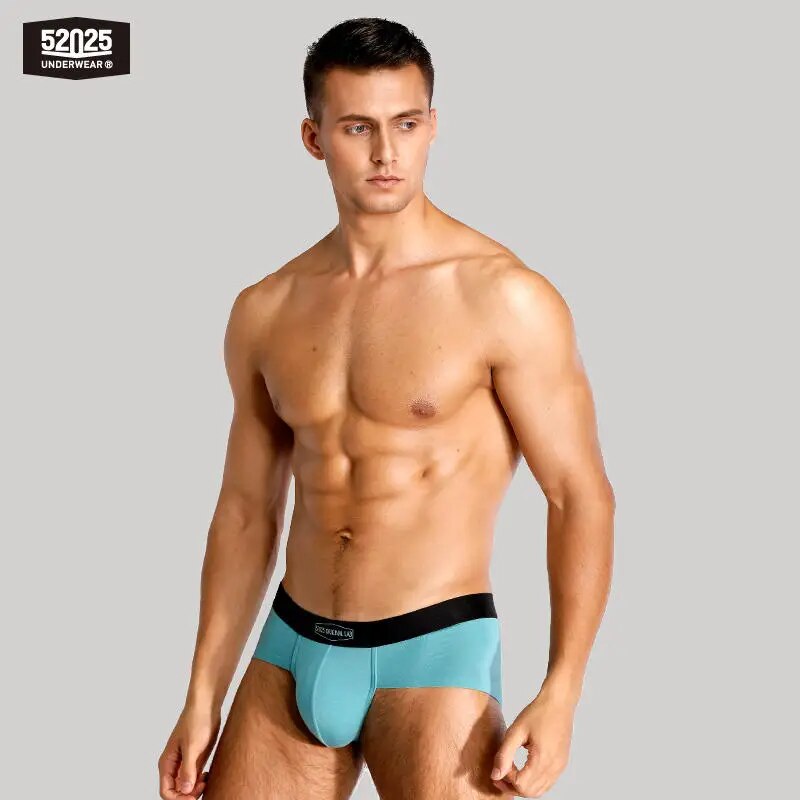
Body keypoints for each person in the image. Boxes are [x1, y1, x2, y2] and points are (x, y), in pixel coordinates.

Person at [158, 16, 615, 800]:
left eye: (405, 124)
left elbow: (580, 495)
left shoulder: (503, 297)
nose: (385, 153)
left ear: (432, 126)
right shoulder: (267, 309)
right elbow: (244, 512)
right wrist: (202, 694)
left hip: (433, 651)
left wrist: (563, 688)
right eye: (357, 127)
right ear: (314, 138)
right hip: (291, 646)